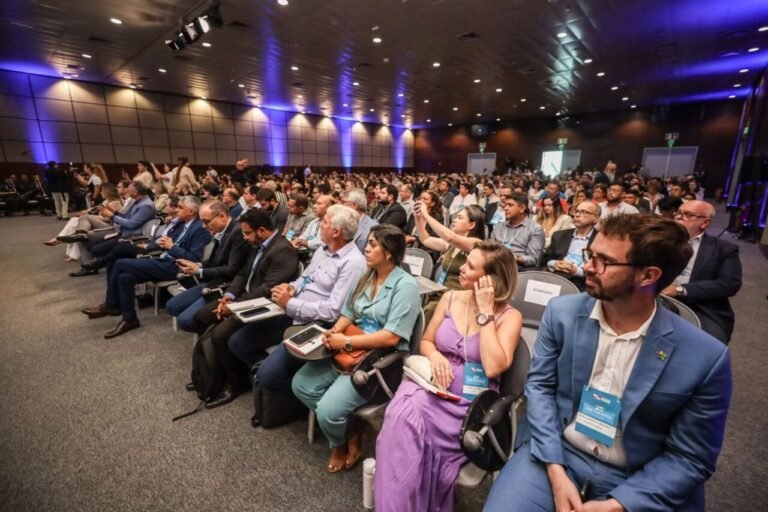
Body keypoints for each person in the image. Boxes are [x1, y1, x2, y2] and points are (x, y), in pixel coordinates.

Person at [484, 214, 732, 512]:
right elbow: (540, 388)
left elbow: (691, 457)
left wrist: (619, 504)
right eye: (590, 255)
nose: (588, 267)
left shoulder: (705, 356)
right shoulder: (562, 314)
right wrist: (555, 470)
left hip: (639, 473)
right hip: (557, 450)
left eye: (604, 261)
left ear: (648, 276)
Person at [375, 240, 522, 512]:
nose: (461, 269)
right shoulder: (451, 297)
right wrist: (436, 357)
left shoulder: (510, 317)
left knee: (407, 424)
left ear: (490, 280)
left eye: (471, 267)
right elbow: (426, 341)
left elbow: (493, 367)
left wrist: (486, 314)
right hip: (431, 385)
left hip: (468, 404)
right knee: (401, 414)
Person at [291, 225, 421, 473]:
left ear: (389, 253)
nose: (366, 249)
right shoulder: (367, 276)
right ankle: (352, 428)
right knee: (301, 385)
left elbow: (391, 337)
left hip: (379, 360)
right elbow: (348, 312)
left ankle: (339, 443)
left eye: (372, 244)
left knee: (328, 411)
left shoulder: (406, 287)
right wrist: (335, 331)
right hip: (349, 347)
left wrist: (346, 342)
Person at [246, 205, 368, 406]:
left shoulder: (353, 263)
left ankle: (291, 402)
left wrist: (290, 303)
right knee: (239, 342)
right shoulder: (323, 250)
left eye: (324, 222)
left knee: (267, 375)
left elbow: (333, 311)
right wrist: (291, 288)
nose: (319, 224)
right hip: (291, 312)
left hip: (316, 325)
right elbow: (305, 278)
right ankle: (270, 375)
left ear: (336, 232)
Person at [191, 209, 298, 408]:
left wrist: (235, 307)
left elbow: (267, 290)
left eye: (247, 233)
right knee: (201, 317)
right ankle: (212, 371)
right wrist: (228, 296)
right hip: (243, 298)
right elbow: (242, 274)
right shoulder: (257, 244)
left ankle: (236, 383)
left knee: (220, 335)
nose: (244, 237)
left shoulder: (283, 250)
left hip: (264, 306)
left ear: (262, 230)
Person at [81, 196, 211, 338]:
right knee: (125, 277)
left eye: (180, 207)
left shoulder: (200, 229)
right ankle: (129, 319)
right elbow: (163, 241)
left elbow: (194, 258)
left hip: (176, 266)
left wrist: (172, 247)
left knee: (119, 263)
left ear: (191, 212)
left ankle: (111, 304)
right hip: (163, 259)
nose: (176, 210)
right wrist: (153, 245)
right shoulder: (181, 223)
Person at [662, 200, 742, 343]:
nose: (679, 217)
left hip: (701, 306)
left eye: (688, 214)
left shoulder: (723, 249)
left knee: (709, 344)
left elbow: (730, 283)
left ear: (705, 223)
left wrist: (680, 290)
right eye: (678, 213)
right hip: (656, 299)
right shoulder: (658, 241)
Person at [165, 200, 250, 333]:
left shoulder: (238, 232)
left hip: (226, 285)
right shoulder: (221, 230)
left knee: (185, 320)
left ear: (222, 216)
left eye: (206, 221)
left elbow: (232, 270)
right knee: (172, 306)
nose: (204, 226)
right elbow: (214, 261)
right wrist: (196, 265)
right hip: (214, 280)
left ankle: (212, 333)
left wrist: (199, 271)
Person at [415, 203, 486, 322]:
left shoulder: (476, 244)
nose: (454, 220)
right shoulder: (452, 245)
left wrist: (426, 215)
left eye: (460, 218)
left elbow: (450, 237)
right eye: (456, 217)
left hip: (459, 297)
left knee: (429, 311)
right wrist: (418, 218)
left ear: (471, 225)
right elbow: (425, 239)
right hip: (441, 292)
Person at [45, 183, 123, 262]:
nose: (101, 192)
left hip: (108, 225)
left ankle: (60, 240)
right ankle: (70, 249)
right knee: (76, 225)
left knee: (78, 225)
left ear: (107, 192)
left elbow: (108, 217)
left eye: (102, 191)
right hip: (98, 221)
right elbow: (94, 209)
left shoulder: (115, 203)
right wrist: (86, 212)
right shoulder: (105, 201)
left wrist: (91, 215)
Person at [541, 201, 600, 289]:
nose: (577, 215)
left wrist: (576, 271)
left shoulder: (601, 240)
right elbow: (544, 261)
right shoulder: (559, 235)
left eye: (583, 212)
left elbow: (599, 271)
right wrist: (554, 263)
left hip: (582, 284)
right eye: (576, 211)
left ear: (595, 218)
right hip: (556, 277)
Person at [490, 192, 545, 269]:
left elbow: (533, 259)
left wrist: (514, 258)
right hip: (495, 264)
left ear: (522, 208)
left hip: (518, 268)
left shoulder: (535, 229)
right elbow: (489, 249)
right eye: (505, 205)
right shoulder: (499, 226)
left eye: (510, 205)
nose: (505, 208)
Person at [340, 188, 378, 253]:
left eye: (343, 202)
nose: (340, 206)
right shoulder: (342, 222)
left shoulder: (373, 228)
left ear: (354, 205)